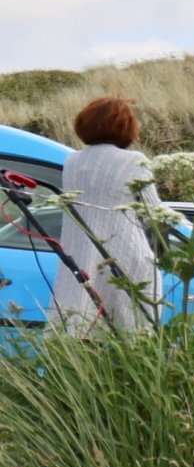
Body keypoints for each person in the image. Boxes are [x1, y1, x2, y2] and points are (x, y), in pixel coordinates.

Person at [54, 95, 161, 333]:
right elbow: (154, 213)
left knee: (80, 325)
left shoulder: (72, 161)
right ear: (126, 127)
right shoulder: (134, 161)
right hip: (125, 256)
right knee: (133, 328)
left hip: (80, 255)